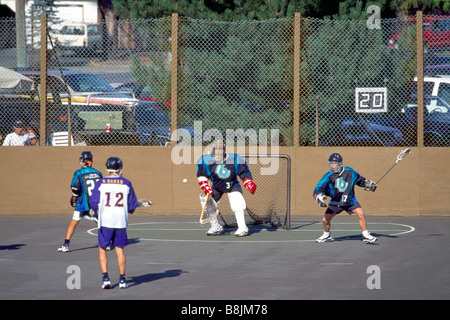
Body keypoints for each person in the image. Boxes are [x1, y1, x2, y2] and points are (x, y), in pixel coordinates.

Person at [89, 157, 138, 289]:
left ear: (107, 168)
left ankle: (105, 278)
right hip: (120, 221)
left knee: (102, 248)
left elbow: (93, 202)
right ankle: (122, 280)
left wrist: (97, 210)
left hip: (105, 220)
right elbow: (132, 205)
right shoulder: (126, 183)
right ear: (119, 169)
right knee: (120, 250)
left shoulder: (100, 183)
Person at [313, 153, 378, 244]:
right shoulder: (328, 176)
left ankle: (366, 235)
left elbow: (361, 181)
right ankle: (326, 235)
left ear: (339, 164)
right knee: (325, 220)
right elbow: (319, 187)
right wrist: (319, 196)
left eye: (334, 163)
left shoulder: (350, 172)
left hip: (350, 200)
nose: (332, 165)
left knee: (361, 213)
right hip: (336, 201)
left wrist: (369, 185)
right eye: (330, 163)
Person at [196, 140, 257, 237]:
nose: (218, 151)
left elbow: (243, 171)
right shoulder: (206, 160)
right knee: (207, 203)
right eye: (216, 149)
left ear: (224, 150)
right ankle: (216, 226)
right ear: (213, 150)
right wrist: (205, 185)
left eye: (220, 149)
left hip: (233, 185)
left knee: (237, 204)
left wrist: (247, 181)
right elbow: (202, 175)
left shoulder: (234, 159)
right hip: (216, 187)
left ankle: (242, 227)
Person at [57, 151, 103, 253]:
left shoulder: (78, 172)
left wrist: (74, 198)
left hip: (83, 204)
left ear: (83, 160)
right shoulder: (98, 173)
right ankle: (106, 243)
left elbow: (75, 188)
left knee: (73, 223)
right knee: (99, 223)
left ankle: (66, 244)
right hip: (95, 204)